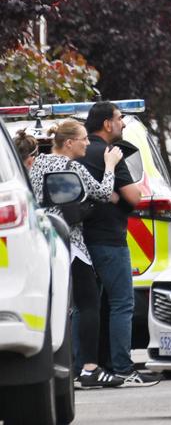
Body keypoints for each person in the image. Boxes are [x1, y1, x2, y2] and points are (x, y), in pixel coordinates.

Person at [29, 119, 125, 388]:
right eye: (83, 139)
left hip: (43, 244)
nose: (87, 143)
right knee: (88, 304)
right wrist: (110, 165)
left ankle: (55, 367)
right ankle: (91, 369)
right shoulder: (74, 168)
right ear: (69, 143)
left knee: (53, 308)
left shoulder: (37, 165)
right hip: (71, 244)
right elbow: (104, 193)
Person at [78, 101, 160, 386]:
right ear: (107, 124)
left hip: (79, 242)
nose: (123, 124)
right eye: (119, 118)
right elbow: (134, 197)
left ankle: (86, 367)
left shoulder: (77, 152)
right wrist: (119, 196)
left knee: (87, 305)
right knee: (122, 303)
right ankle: (123, 368)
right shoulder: (110, 154)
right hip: (110, 240)